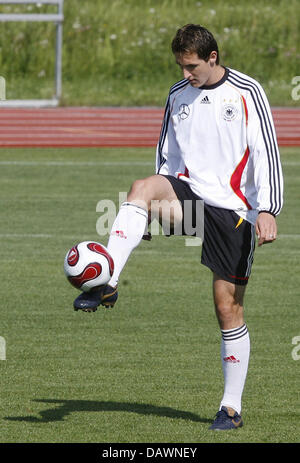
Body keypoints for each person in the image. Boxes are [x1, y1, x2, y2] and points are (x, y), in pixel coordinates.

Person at [73, 24, 283, 430]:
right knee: (141, 188)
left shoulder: (247, 92)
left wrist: (269, 208)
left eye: (191, 67)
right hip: (188, 196)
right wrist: (147, 210)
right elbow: (166, 154)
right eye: (180, 66)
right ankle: (107, 280)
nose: (185, 74)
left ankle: (231, 408)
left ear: (212, 58)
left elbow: (266, 150)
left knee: (228, 308)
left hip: (234, 210)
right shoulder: (177, 95)